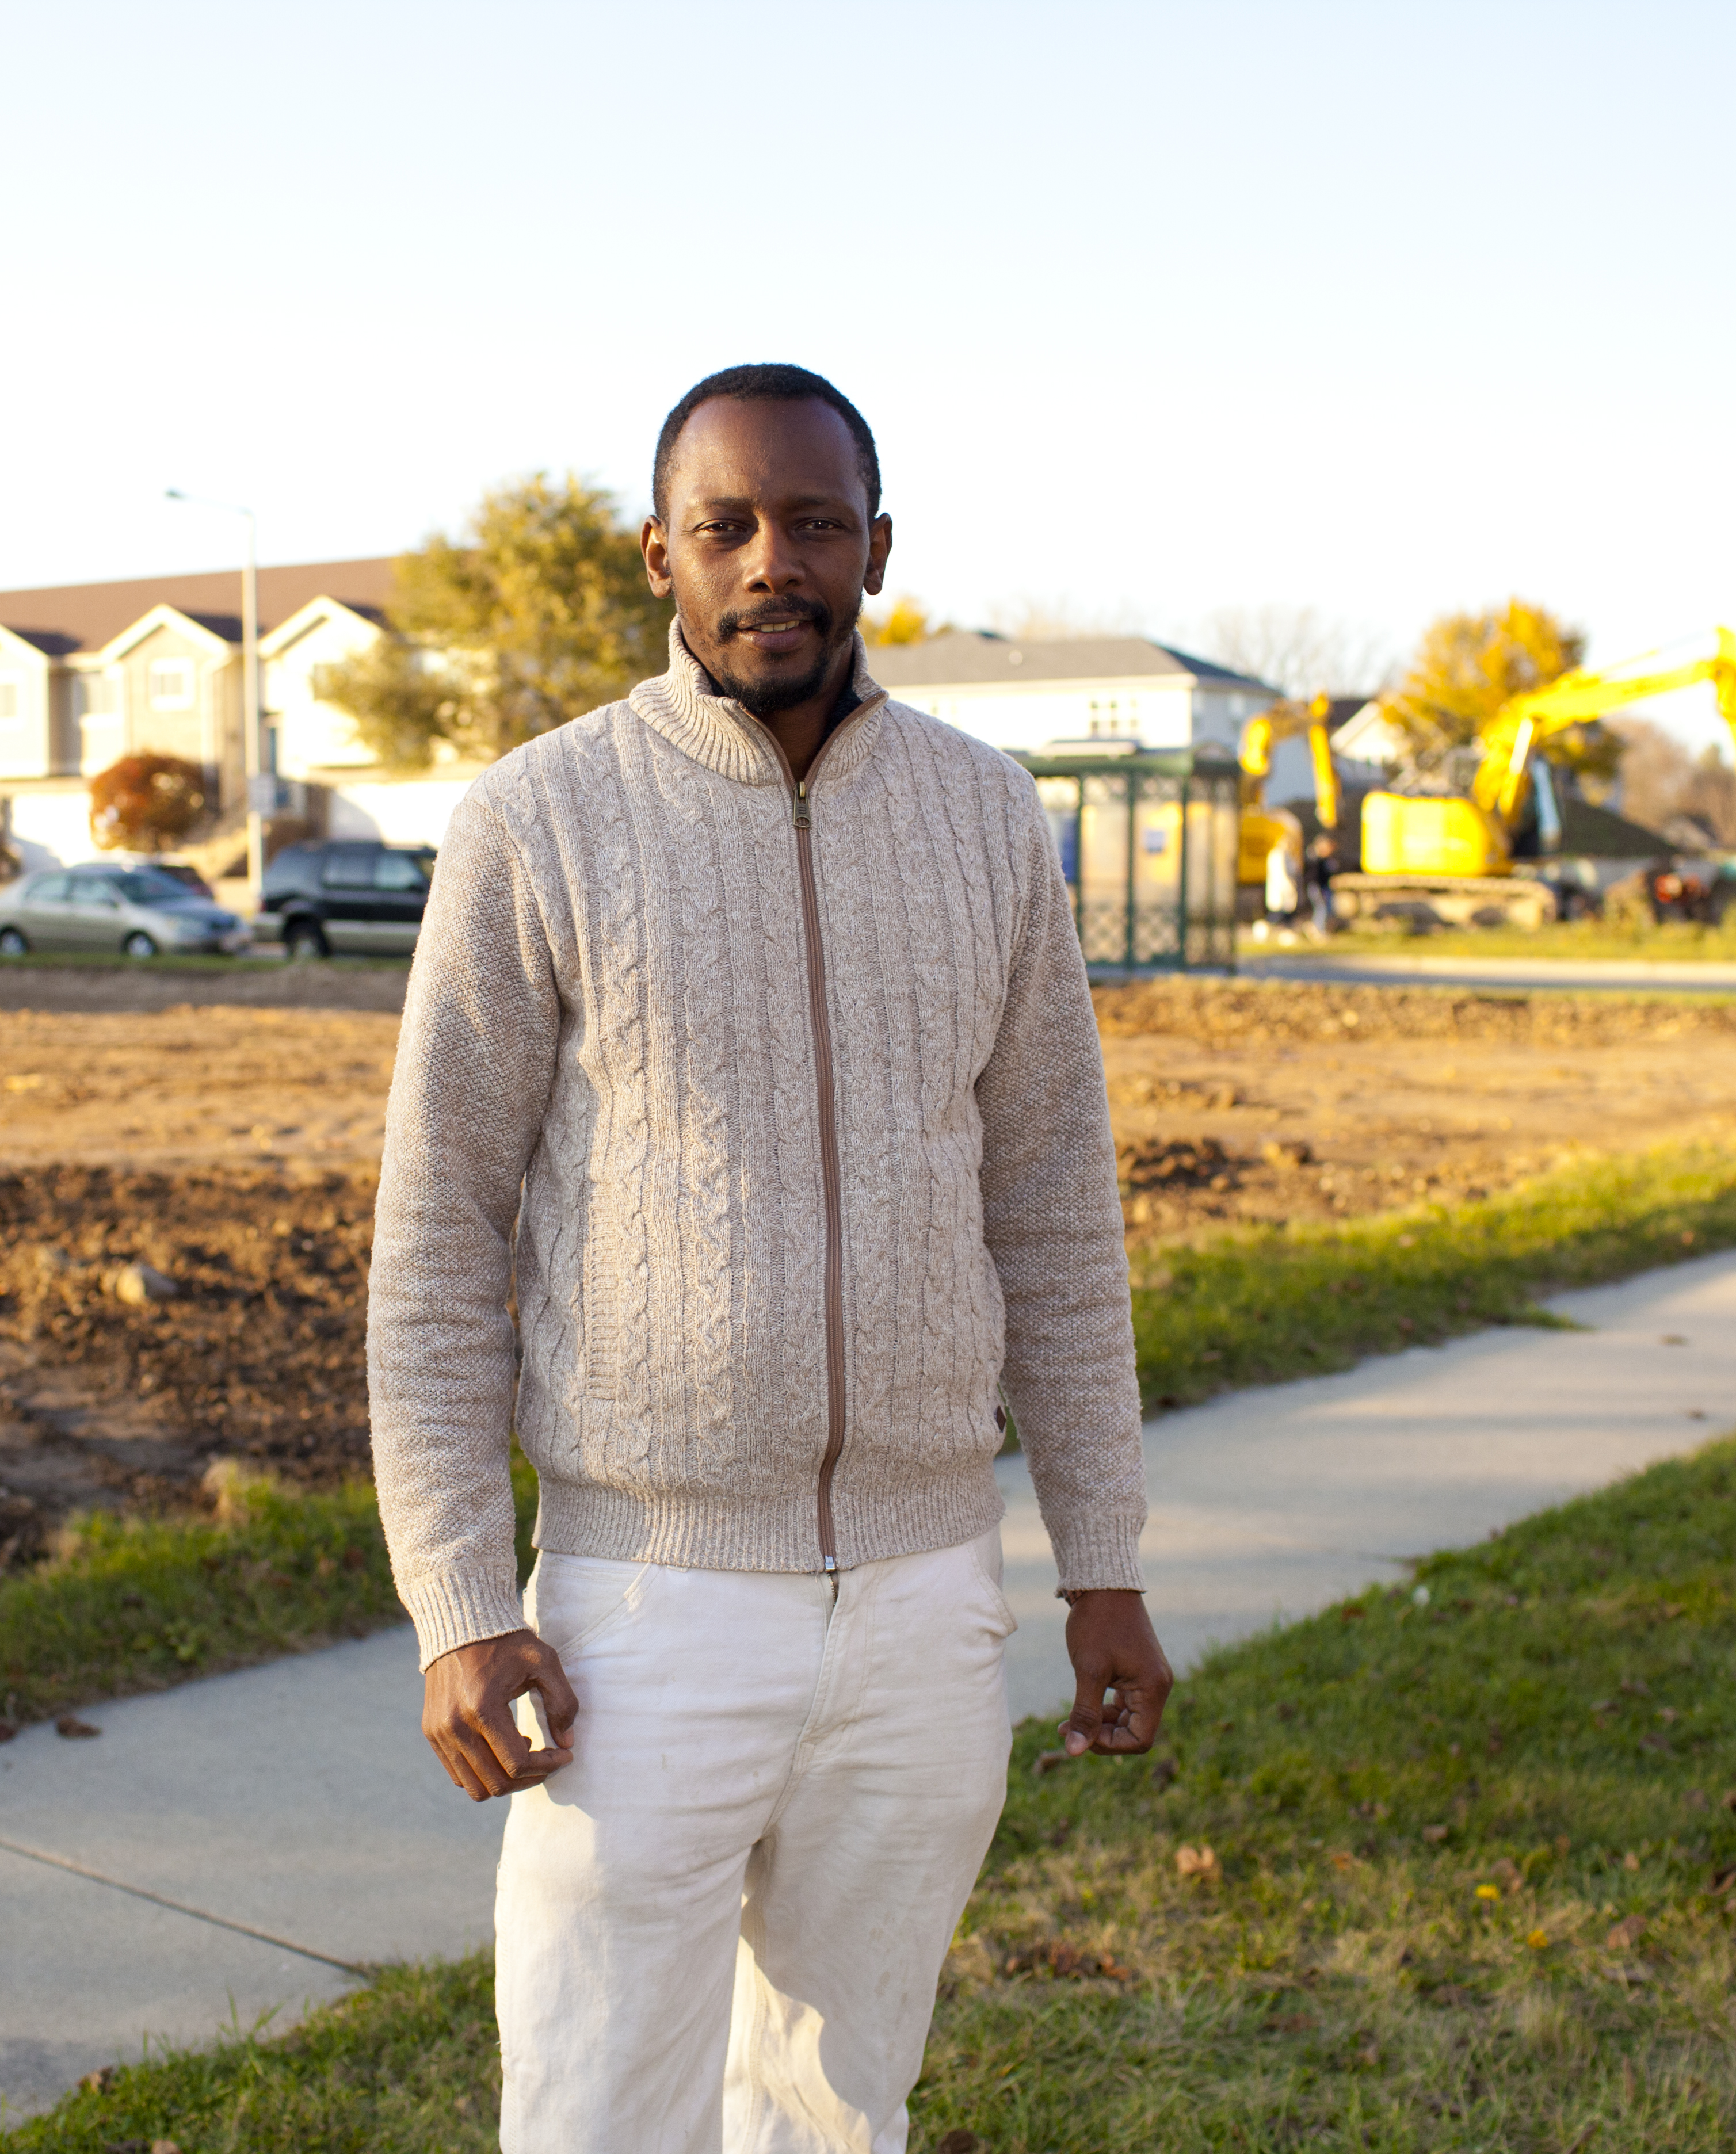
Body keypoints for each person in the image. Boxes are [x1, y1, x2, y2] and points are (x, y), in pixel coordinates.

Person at [369, 362, 1167, 2153]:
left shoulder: (982, 819)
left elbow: (1053, 1212)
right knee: (593, 2111)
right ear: (660, 555)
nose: (770, 564)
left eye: (813, 523)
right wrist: (462, 1603)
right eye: (725, 525)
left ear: (878, 549)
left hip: (924, 1608)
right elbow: (436, 1240)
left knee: (836, 2104)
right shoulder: (538, 820)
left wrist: (1098, 1558)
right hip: (642, 1618)